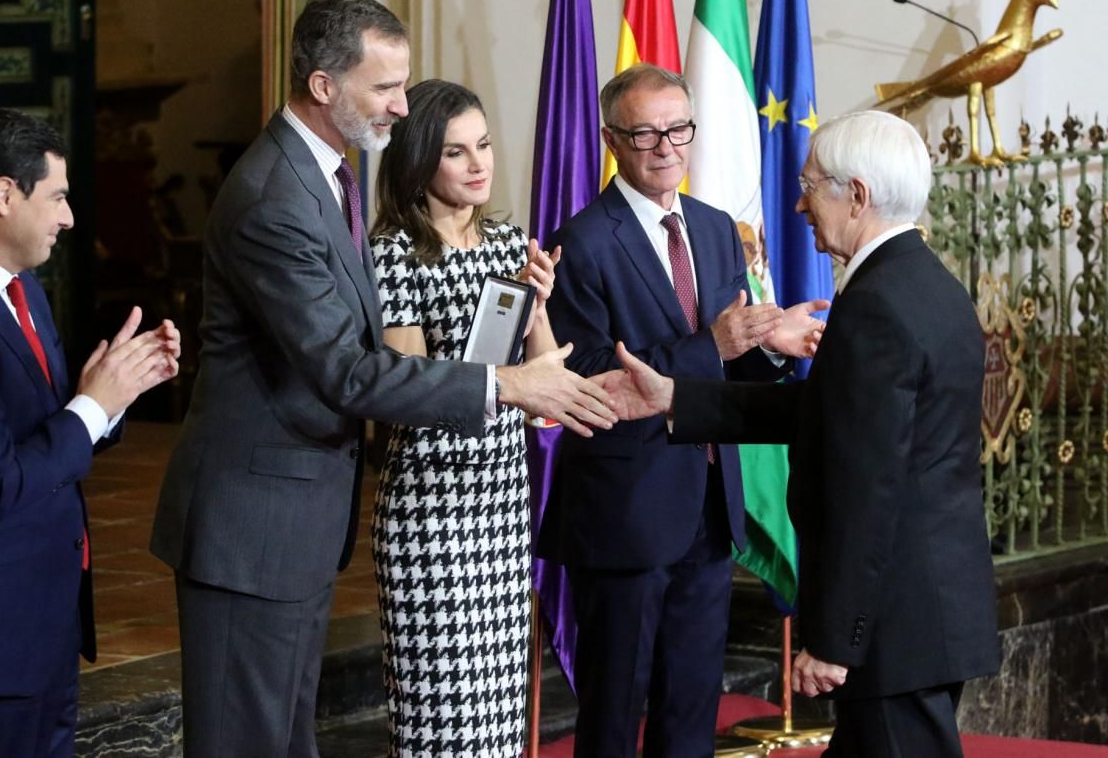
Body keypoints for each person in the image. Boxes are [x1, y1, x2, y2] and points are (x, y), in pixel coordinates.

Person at [148, 0, 616, 758]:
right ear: (325, 86)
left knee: (283, 740)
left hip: (292, 520)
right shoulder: (275, 197)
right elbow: (345, 370)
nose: (403, 106)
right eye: (385, 87)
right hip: (252, 524)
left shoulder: (324, 177)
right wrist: (505, 385)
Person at [595, 110, 1001, 758]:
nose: (799, 202)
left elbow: (868, 486)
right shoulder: (926, 283)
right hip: (923, 609)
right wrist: (678, 397)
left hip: (894, 620)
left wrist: (837, 638)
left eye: (812, 184)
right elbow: (828, 413)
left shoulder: (877, 303)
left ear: (858, 195)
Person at [538, 63, 826, 758]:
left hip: (708, 505)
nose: (667, 146)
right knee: (612, 717)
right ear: (612, 140)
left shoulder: (718, 228)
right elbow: (586, 383)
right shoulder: (582, 242)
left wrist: (773, 347)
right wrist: (711, 345)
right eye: (646, 133)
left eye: (679, 128)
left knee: (690, 715)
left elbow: (731, 365)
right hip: (624, 513)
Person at [0, 108, 181, 758]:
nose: (70, 219)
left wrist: (113, 396)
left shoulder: (22, 289)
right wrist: (91, 404)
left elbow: (48, 432)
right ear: (5, 195)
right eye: (58, 197)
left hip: (41, 618)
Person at [368, 79, 558, 756]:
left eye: (483, 145)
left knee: (499, 725)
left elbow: (547, 383)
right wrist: (506, 384)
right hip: (432, 509)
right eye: (457, 152)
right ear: (420, 159)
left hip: (500, 502)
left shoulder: (509, 243)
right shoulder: (393, 251)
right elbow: (408, 392)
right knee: (439, 727)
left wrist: (539, 306)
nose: (480, 164)